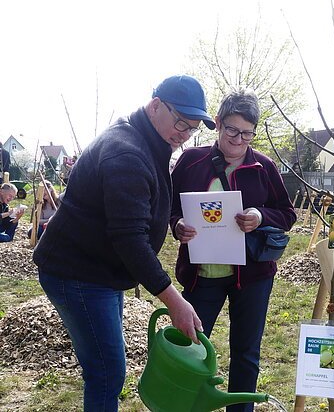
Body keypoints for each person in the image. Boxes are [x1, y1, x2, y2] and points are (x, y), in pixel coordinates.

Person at [33, 75, 216, 412]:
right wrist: (174, 300)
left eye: (192, 128)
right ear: (156, 105)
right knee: (106, 372)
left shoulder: (148, 141)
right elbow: (129, 239)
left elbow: (135, 217)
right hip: (77, 273)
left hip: (100, 269)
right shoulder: (126, 153)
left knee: (107, 367)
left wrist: (169, 225)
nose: (184, 134)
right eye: (181, 122)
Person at [170, 89, 296, 412]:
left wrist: (259, 215)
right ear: (218, 124)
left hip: (252, 276)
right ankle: (183, 405)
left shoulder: (263, 167)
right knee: (190, 347)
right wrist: (178, 225)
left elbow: (287, 213)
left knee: (245, 354)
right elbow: (168, 208)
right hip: (203, 275)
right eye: (232, 130)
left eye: (247, 133)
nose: (239, 140)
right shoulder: (190, 162)